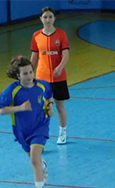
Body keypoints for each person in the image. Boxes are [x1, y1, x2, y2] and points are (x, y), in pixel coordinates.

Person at [0, 56, 54, 188]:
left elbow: (49, 96)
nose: (29, 76)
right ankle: (43, 165)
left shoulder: (42, 85)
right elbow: (2, 110)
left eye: (30, 72)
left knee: (34, 159)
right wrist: (20, 108)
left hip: (40, 126)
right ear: (18, 75)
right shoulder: (12, 90)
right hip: (22, 130)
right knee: (35, 160)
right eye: (25, 73)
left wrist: (50, 107)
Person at [30, 7, 70, 145]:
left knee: (59, 106)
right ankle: (40, 135)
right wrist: (29, 73)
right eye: (45, 17)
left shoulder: (61, 34)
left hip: (59, 78)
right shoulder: (36, 35)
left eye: (50, 17)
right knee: (43, 107)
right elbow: (34, 57)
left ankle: (63, 132)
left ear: (54, 18)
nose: (48, 20)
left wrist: (60, 67)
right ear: (41, 19)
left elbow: (66, 55)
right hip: (42, 78)